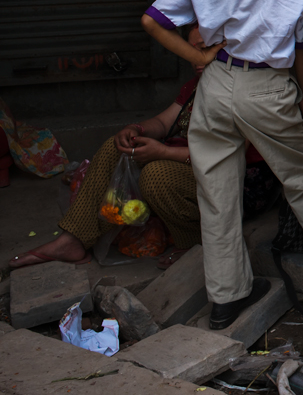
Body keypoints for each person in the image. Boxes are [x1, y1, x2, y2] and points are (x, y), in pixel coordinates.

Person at [141, 0, 303, 330]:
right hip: (268, 86)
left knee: (217, 191)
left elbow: (152, 20)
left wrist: (200, 56)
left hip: (218, 84)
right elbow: (299, 44)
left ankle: (226, 300)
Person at [9, 26, 281, 270]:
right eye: (190, 48)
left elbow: (230, 154)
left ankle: (191, 244)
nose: (195, 56)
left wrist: (163, 153)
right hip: (194, 166)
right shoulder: (197, 85)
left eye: (205, 48)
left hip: (239, 181)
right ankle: (73, 239)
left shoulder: (245, 86)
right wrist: (136, 130)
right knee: (116, 147)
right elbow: (164, 122)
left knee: (157, 175)